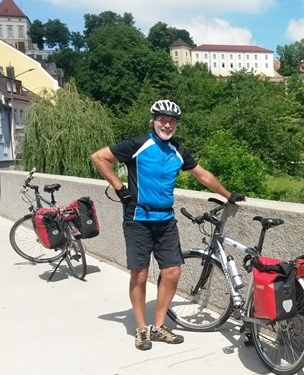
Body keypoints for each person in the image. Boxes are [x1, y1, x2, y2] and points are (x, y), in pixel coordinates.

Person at [90, 99, 245, 351]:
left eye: (172, 121)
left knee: (172, 272)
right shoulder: (139, 143)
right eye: (162, 119)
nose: (167, 124)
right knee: (139, 275)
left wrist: (228, 196)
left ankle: (159, 326)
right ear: (153, 120)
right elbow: (98, 157)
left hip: (165, 219)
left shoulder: (178, 150)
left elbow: (202, 174)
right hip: (137, 218)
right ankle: (141, 328)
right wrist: (120, 189)